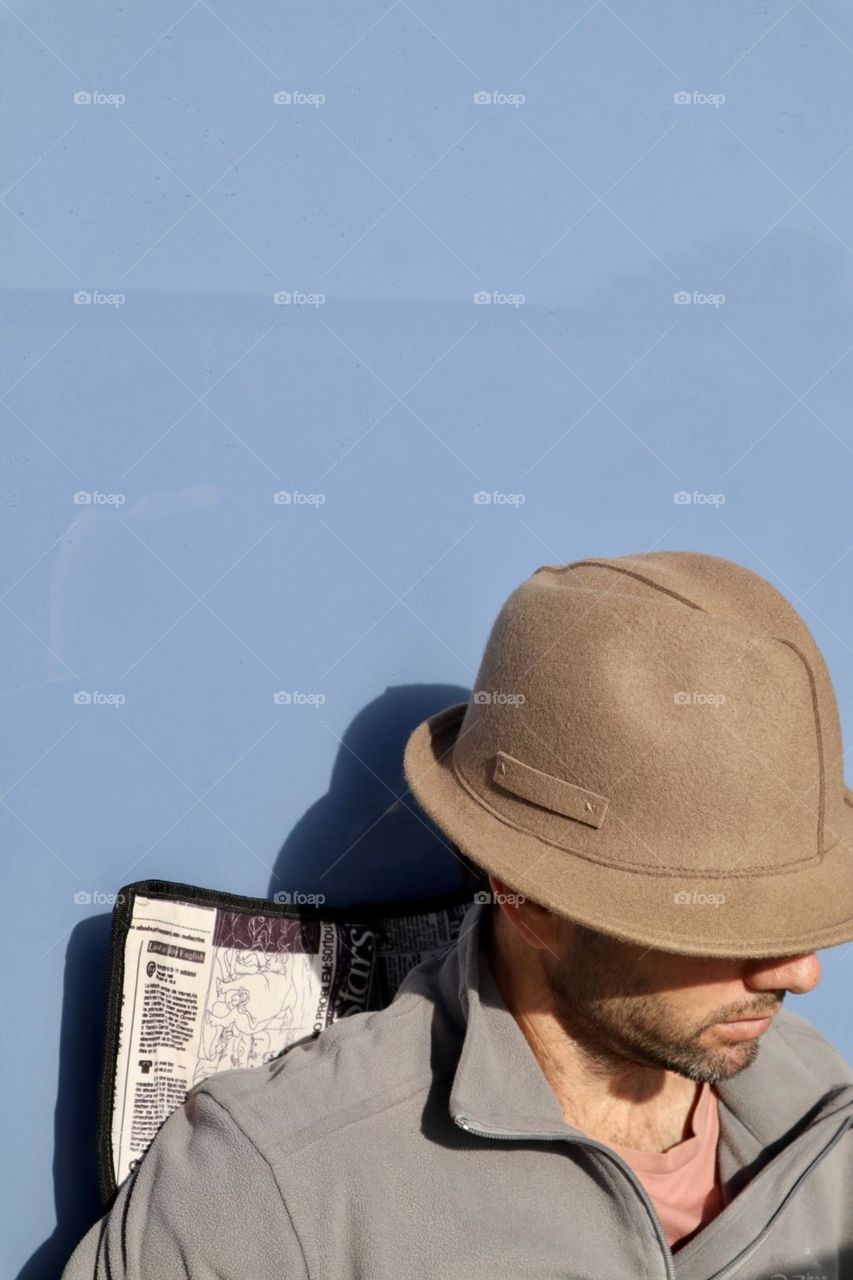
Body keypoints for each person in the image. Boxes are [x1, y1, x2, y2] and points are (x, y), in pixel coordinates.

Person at [62, 550, 853, 1278]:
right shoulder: (276, 1186)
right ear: (530, 900)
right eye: (727, 923)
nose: (801, 971)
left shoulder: (821, 1107)